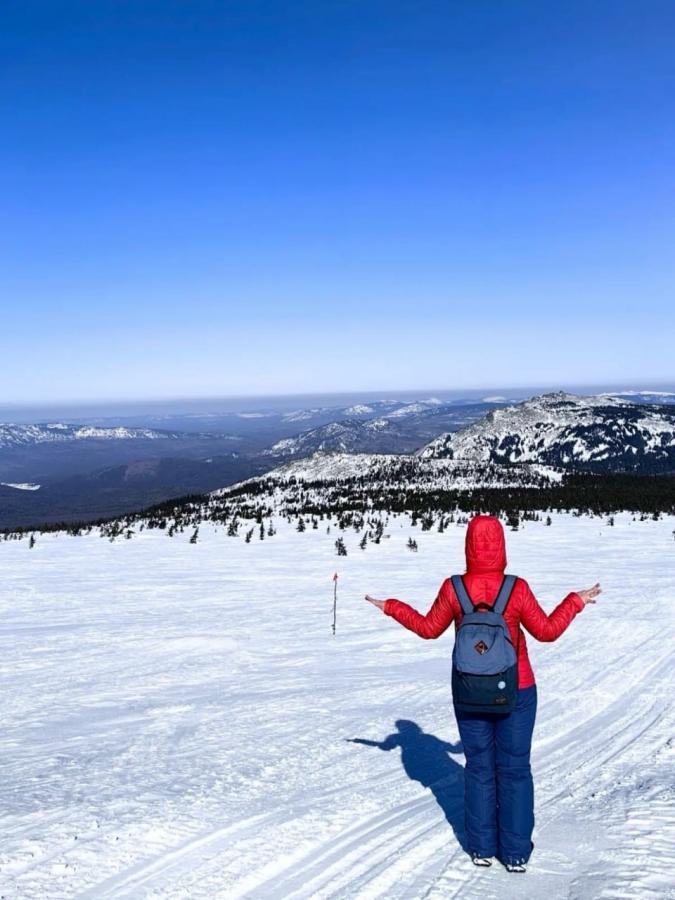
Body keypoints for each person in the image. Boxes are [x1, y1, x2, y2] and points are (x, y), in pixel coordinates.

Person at [365, 514, 601, 873]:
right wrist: (575, 601)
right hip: (517, 690)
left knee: (478, 769)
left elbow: (428, 629)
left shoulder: (454, 588)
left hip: (469, 691)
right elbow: (547, 631)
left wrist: (392, 607)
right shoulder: (516, 588)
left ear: (468, 546)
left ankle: (481, 848)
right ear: (502, 546)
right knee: (515, 769)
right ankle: (516, 853)